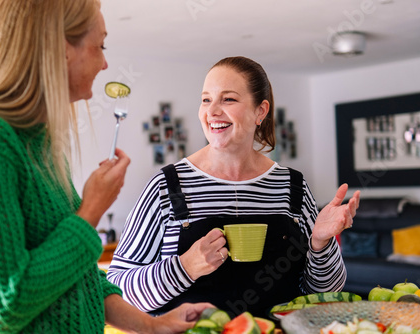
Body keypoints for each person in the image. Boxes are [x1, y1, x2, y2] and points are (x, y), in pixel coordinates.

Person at [0, 0, 211, 333]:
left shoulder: (38, 143)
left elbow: (77, 273)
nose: (105, 63)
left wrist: (154, 326)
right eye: (100, 46)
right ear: (60, 48)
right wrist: (91, 212)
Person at [107, 56, 361, 317]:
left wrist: (321, 243)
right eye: (206, 99)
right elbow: (116, 291)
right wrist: (184, 268)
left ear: (260, 111)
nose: (212, 111)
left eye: (228, 99)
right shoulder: (167, 186)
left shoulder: (291, 186)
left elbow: (322, 293)